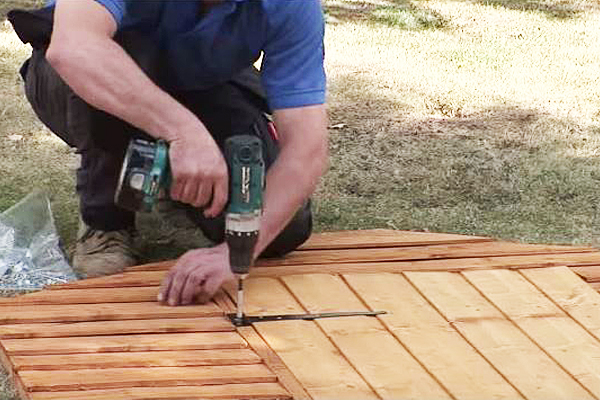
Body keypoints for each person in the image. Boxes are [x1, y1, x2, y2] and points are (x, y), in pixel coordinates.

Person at [8, 0, 328, 306]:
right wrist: (185, 134)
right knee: (125, 57)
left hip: (205, 83)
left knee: (281, 229)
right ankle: (106, 221)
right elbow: (73, 49)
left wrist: (236, 251)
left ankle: (173, 184)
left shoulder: (292, 5)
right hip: (77, 79)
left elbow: (306, 149)